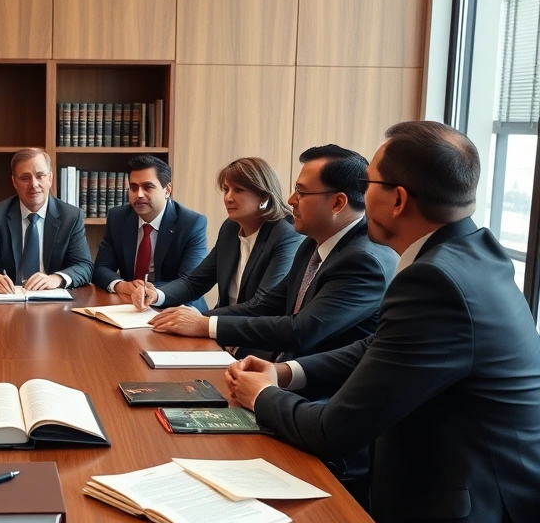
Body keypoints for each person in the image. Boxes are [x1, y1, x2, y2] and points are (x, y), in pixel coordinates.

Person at [226, 121, 540, 523]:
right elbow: (382, 347)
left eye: (368, 183)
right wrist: (285, 371)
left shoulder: (435, 280)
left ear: (397, 199)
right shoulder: (469, 253)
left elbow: (334, 431)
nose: (360, 195)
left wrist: (262, 396)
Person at [143, 145, 397, 362]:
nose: (290, 199)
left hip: (318, 392)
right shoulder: (312, 243)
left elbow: (300, 331)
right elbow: (271, 303)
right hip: (280, 369)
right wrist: (192, 320)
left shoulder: (363, 261)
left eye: (302, 192)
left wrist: (205, 325)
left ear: (338, 203)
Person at [132, 156, 303, 312]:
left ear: (264, 196)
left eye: (239, 190)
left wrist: (201, 319)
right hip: (223, 332)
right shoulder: (230, 228)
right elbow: (195, 282)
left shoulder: (286, 235)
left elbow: (262, 305)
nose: (228, 197)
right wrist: (156, 295)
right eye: (226, 189)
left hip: (256, 339)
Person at [92, 154, 209, 310]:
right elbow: (101, 268)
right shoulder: (118, 217)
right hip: (131, 306)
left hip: (178, 306)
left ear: (167, 190)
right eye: (133, 187)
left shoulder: (191, 223)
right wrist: (122, 286)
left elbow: (189, 280)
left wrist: (149, 292)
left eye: (148, 187)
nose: (139, 194)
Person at [0, 148, 93, 291]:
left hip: (54, 302)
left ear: (50, 178)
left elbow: (84, 266)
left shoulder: (71, 216)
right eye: (25, 178)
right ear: (14, 182)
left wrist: (56, 279)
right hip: (9, 300)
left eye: (40, 176)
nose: (34, 184)